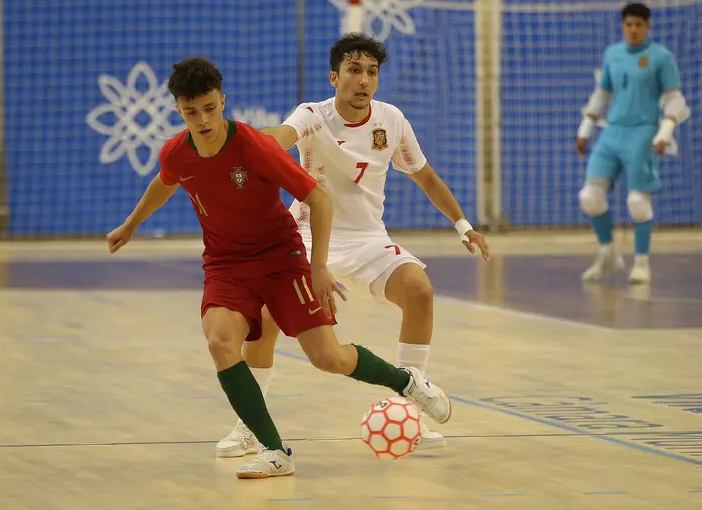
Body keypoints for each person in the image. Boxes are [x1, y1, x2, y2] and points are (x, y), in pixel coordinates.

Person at [106, 57, 452, 479]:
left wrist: (318, 266)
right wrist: (130, 224)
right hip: (226, 267)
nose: (203, 119)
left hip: (281, 260)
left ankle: (406, 382)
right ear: (180, 110)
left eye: (210, 108)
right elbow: (165, 181)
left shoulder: (252, 145)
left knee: (329, 358)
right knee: (220, 342)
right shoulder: (177, 151)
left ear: (222, 102)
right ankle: (274, 450)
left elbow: (318, 199)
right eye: (192, 111)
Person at [214, 33, 489, 458]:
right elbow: (279, 137)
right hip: (305, 236)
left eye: (372, 72)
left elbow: (427, 177)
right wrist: (241, 140)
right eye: (354, 70)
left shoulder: (392, 120)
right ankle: (248, 425)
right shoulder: (312, 115)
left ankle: (408, 406)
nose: (364, 80)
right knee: (266, 318)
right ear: (335, 76)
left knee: (419, 291)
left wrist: (463, 224)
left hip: (367, 239)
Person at [575, 2, 690, 284]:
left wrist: (664, 133)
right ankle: (608, 255)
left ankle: (641, 263)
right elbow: (602, 93)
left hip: (642, 132)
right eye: (628, 24)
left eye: (639, 24)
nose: (633, 29)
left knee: (637, 201)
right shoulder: (612, 54)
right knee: (590, 197)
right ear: (622, 26)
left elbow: (675, 99)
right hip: (613, 132)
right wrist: (585, 129)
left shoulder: (660, 57)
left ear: (647, 27)